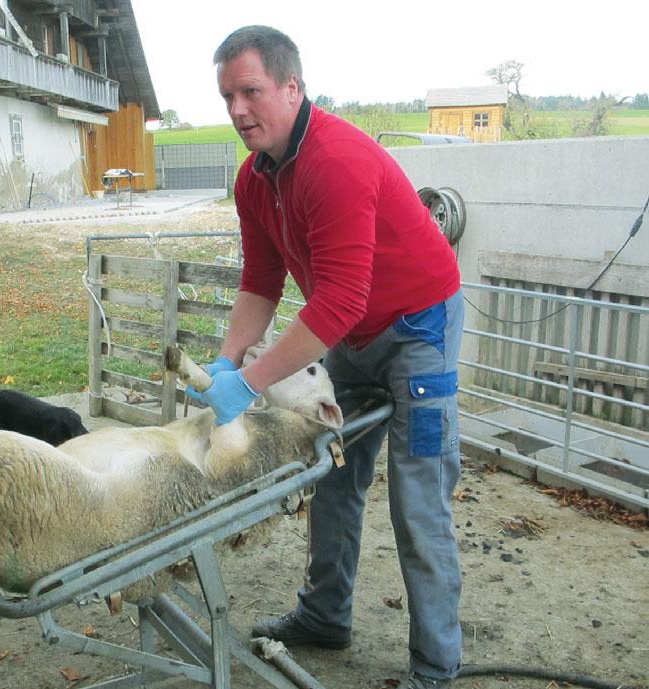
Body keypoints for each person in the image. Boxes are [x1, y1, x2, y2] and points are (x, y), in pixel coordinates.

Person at [197, 26, 465, 689]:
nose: (237, 109)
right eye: (227, 94)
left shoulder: (334, 161)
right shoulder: (253, 179)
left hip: (416, 327)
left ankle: (435, 665)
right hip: (348, 336)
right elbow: (260, 281)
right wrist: (226, 363)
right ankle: (324, 613)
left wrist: (253, 383)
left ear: (291, 88)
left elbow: (340, 300)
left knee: (416, 495)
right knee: (331, 473)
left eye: (250, 91)